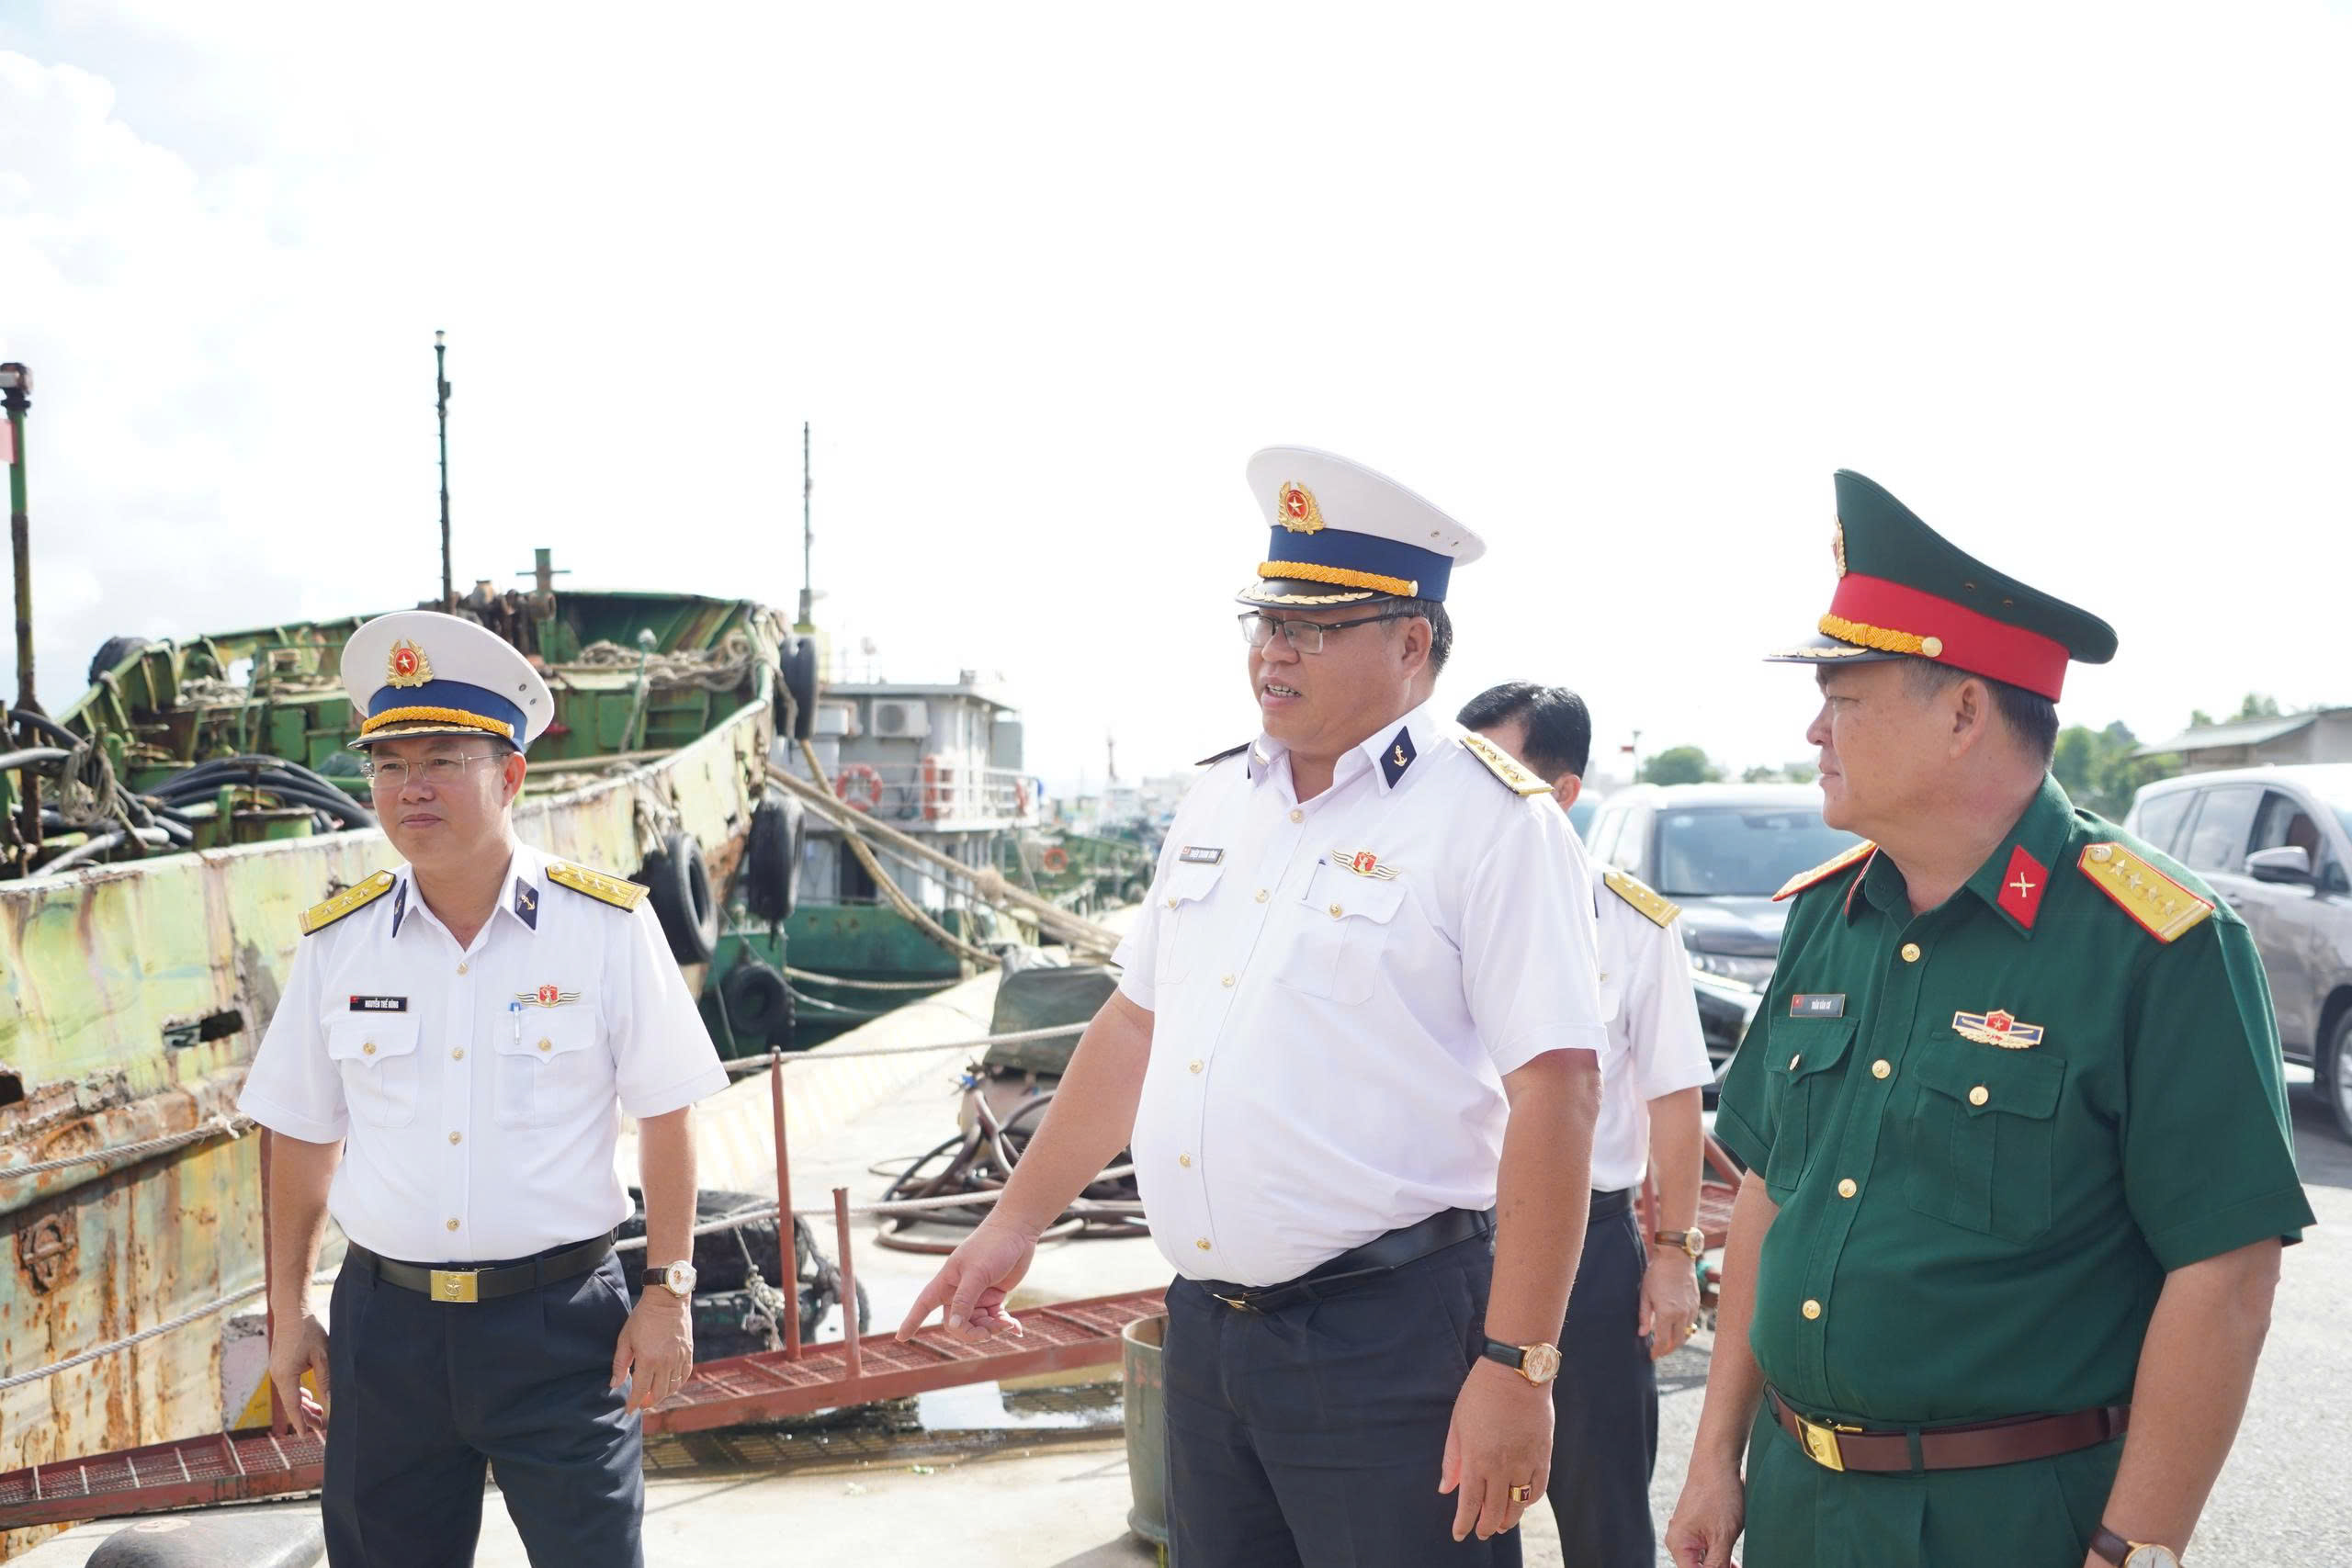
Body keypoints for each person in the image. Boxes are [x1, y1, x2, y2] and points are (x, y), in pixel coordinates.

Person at [899, 447, 1611, 1563]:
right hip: (1209, 1338)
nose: (1275, 651)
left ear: (1412, 643)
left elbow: (1558, 1095)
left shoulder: (1491, 822)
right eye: (1266, 621)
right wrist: (1015, 1220)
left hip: (1390, 1341)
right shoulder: (1216, 799)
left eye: (1316, 627)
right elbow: (1135, 1026)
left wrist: (1519, 1366)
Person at [1665, 472, 2314, 1568]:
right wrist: (1711, 1460)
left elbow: (2226, 1273)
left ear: (1964, 713)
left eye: (1844, 697)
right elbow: (1773, 1191)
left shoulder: (2155, 941)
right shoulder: (1830, 915)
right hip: (1795, 1504)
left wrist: (2135, 1547)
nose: (1813, 728)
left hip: (2006, 1520)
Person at [238, 610, 729, 1568]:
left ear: (510, 776)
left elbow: (668, 1112)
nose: (410, 787)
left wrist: (668, 1292)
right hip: (386, 1334)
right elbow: (299, 1133)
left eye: (441, 760)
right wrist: (288, 1312)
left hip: (561, 1329)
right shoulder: (340, 943)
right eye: (388, 765)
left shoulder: (603, 927)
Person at [1460, 681, 1713, 1568]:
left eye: (1498, 773)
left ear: (1562, 792)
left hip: (1587, 1251)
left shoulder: (1630, 923)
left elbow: (1675, 1096)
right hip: (1446, 1249)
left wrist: (1675, 1254)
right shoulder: (1429, 900)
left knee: (1602, 1503)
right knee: (1451, 1510)